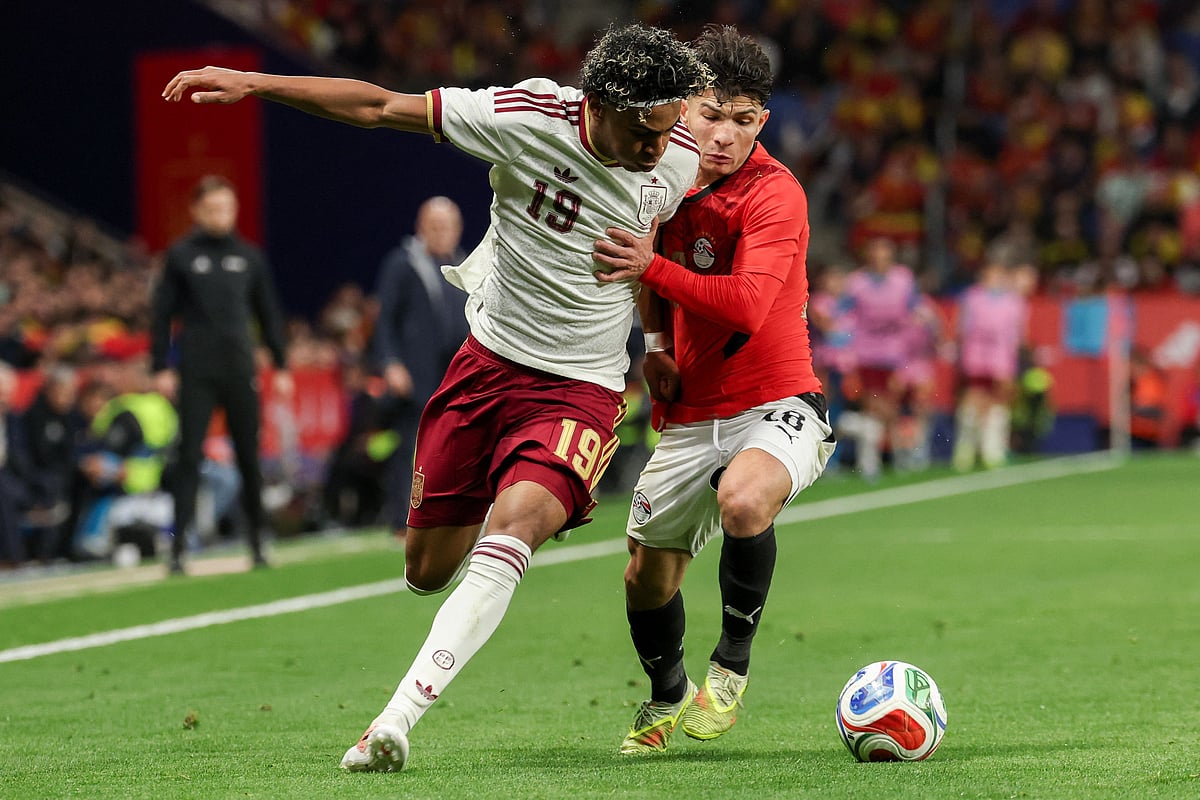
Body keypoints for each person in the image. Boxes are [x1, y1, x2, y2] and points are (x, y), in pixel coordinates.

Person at [163, 22, 709, 772]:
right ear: (601, 104)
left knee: (511, 532)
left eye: (670, 128)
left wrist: (653, 347)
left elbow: (674, 240)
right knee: (424, 572)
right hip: (484, 370)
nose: (661, 147)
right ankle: (512, 490)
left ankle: (395, 720)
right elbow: (378, 108)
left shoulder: (680, 153)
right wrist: (258, 84)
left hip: (580, 388)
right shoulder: (525, 119)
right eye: (647, 132)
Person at [590, 25, 835, 754]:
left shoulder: (775, 193)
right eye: (710, 112)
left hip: (780, 400)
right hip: (693, 409)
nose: (724, 134)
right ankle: (668, 695)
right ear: (684, 107)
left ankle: (729, 670)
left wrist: (651, 269)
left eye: (744, 119)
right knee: (645, 577)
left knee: (744, 498)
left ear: (762, 120)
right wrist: (658, 345)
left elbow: (746, 304)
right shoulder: (659, 174)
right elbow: (648, 262)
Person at [150, 176, 294, 574]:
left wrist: (280, 364)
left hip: (239, 368)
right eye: (212, 209)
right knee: (188, 455)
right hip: (196, 370)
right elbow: (162, 315)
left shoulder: (249, 257)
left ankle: (258, 541)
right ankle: (178, 548)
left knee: (248, 456)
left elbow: (268, 314)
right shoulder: (180, 256)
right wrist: (160, 366)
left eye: (226, 208)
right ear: (197, 211)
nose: (220, 216)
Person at [371, 196, 469, 531]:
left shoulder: (463, 265)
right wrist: (390, 362)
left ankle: (449, 514)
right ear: (421, 227)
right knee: (411, 448)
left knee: (457, 446)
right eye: (435, 226)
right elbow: (384, 319)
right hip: (416, 374)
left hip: (456, 374)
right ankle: (403, 519)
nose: (442, 233)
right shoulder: (403, 263)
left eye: (448, 226)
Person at [842, 236, 919, 481]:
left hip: (895, 354)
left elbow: (916, 307)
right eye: (876, 255)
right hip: (865, 354)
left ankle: (899, 455)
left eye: (885, 256)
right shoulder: (857, 282)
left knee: (892, 408)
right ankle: (870, 461)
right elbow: (841, 311)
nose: (880, 261)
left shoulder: (903, 279)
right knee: (873, 407)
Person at [951, 259, 1028, 471]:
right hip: (976, 355)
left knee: (998, 401)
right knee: (972, 400)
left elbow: (1017, 332)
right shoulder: (972, 298)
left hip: (1001, 357)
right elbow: (963, 328)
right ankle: (964, 449)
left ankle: (992, 449)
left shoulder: (1013, 301)